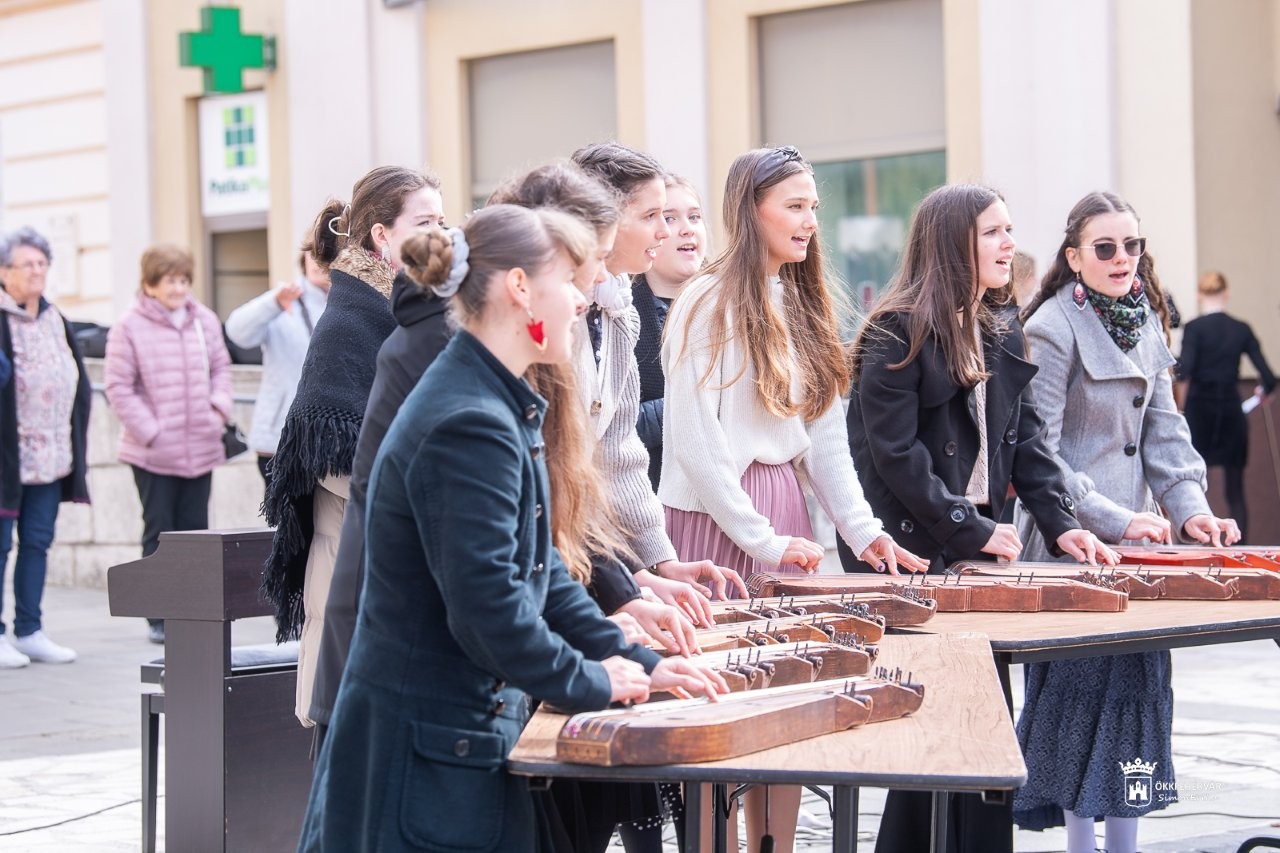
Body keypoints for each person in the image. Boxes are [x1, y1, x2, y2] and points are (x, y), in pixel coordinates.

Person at [295, 204, 726, 853]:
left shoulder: (493, 397)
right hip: (423, 757)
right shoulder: (469, 419)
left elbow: (542, 575)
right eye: (569, 282)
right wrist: (596, 678)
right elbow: (489, 609)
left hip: (447, 742)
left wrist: (640, 661)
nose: (582, 300)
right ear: (520, 288)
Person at [661, 145, 928, 853]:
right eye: (796, 206)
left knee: (786, 699)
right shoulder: (704, 301)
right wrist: (763, 539)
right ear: (752, 211)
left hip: (781, 517)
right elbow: (696, 443)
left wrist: (864, 531)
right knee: (718, 711)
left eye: (814, 206)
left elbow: (824, 437)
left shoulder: (802, 301)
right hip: (712, 523)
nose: (811, 221)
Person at [841, 184, 1117, 853]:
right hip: (909, 550)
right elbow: (896, 456)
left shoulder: (999, 321)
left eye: (1009, 230)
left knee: (984, 718)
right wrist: (970, 528)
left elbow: (1027, 440)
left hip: (975, 543)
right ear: (951, 242)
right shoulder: (895, 328)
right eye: (993, 231)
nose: (1008, 244)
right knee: (935, 719)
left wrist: (1062, 522)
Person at [1014, 191, 1240, 853]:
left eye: (1131, 245)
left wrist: (1194, 511)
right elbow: (1040, 454)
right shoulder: (1051, 326)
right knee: (1078, 707)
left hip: (1137, 557)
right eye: (1105, 247)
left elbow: (1167, 433)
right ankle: (1080, 846)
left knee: (1137, 702)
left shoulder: (1146, 319)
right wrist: (1115, 518)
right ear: (1074, 257)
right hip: (1071, 545)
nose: (1121, 258)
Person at [260, 165, 443, 726]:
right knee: (347, 723)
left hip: (393, 548)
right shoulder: (350, 320)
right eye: (425, 223)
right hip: (355, 553)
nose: (441, 235)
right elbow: (329, 455)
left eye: (443, 221)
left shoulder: (412, 311)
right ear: (382, 236)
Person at [571, 142, 748, 614]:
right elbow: (565, 474)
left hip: (597, 551)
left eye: (687, 217)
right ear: (602, 220)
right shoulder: (560, 313)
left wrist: (659, 561)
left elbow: (618, 450)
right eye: (653, 216)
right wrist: (628, 587)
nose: (667, 231)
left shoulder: (617, 310)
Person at [104, 245, 234, 645]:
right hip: (153, 453)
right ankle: (158, 616)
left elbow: (222, 368)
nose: (178, 288)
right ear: (149, 284)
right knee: (159, 531)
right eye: (169, 281)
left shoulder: (204, 320)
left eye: (183, 280)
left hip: (201, 446)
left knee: (197, 535)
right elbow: (118, 387)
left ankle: (192, 611)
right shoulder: (128, 326)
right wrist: (152, 431)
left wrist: (218, 411)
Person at [0, 227, 91, 667]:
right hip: (7, 458)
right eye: (26, 264)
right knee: (1, 546)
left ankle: (30, 630)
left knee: (37, 542)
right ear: (4, 272)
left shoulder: (56, 318)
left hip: (51, 457)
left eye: (42, 263)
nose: (36, 271)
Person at [1178, 270, 1276, 543]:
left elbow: (1184, 371)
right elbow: (1269, 378)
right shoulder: (1241, 328)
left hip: (1200, 411)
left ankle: (1201, 545)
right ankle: (1240, 549)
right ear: (1227, 294)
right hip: (1232, 411)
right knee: (1235, 490)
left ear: (1200, 296)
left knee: (1196, 485)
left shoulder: (1194, 328)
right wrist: (1261, 393)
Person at [224, 248, 330, 488]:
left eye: (326, 250)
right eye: (312, 251)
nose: (318, 259)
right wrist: (273, 303)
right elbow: (237, 332)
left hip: (331, 441)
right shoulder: (284, 299)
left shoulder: (349, 304)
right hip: (279, 438)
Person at [633, 175, 706, 490]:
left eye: (694, 216)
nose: (687, 228)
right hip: (651, 495)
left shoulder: (733, 306)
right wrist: (692, 406)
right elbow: (612, 428)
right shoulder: (620, 312)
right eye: (669, 218)